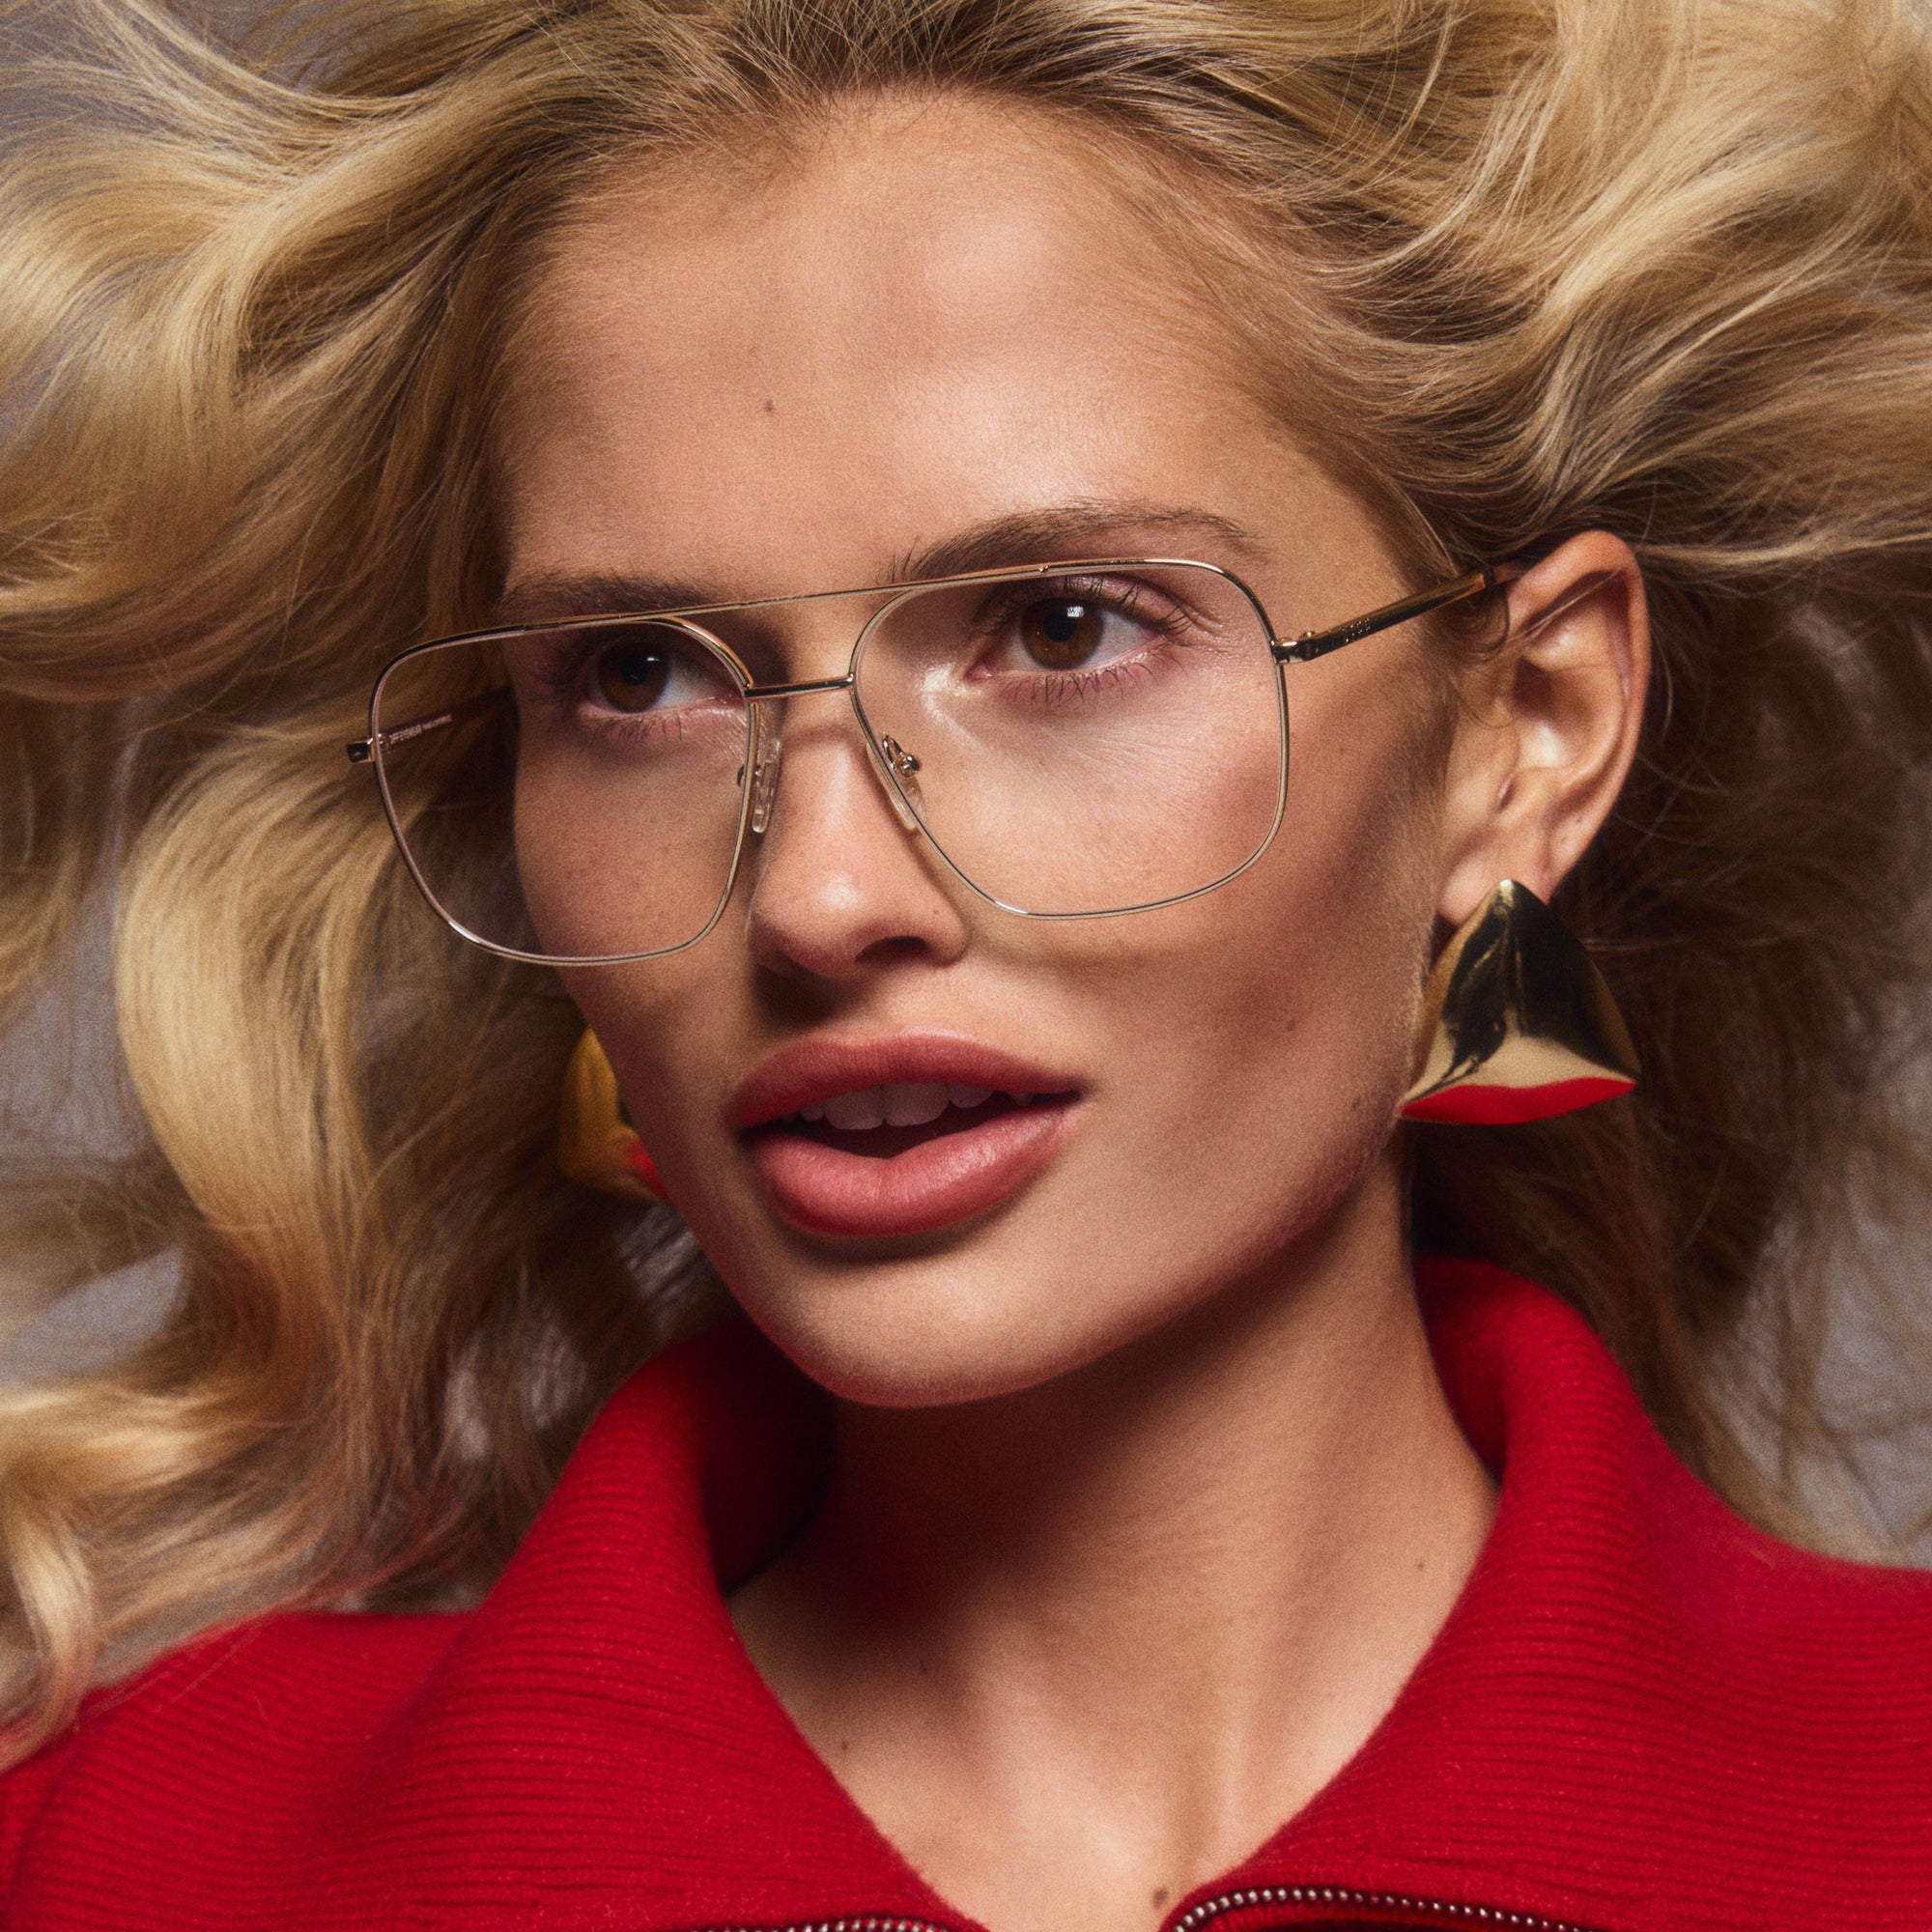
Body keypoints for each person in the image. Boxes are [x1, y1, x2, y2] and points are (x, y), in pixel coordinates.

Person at [3, 0, 1932, 1925]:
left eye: (1064, 627)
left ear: (1528, 724)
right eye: (641, 675)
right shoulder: (124, 1861)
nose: (820, 896)